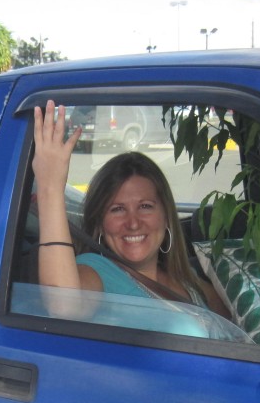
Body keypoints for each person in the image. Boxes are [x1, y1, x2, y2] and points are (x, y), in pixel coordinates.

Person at [32, 100, 228, 317]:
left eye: (145, 206)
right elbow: (63, 307)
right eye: (117, 209)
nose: (133, 223)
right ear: (100, 222)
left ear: (166, 217)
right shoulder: (95, 271)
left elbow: (235, 330)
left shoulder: (188, 279)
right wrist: (50, 187)